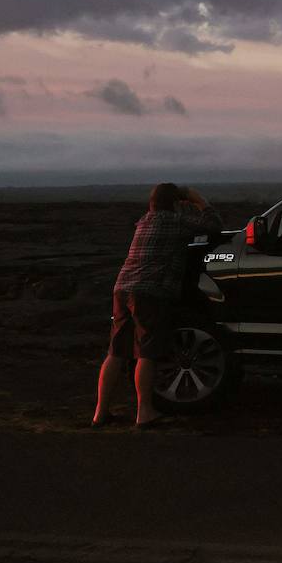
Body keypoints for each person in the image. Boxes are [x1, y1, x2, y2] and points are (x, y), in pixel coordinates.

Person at [93, 183, 222, 428]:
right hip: (151, 292)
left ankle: (100, 413)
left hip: (123, 288)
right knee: (147, 352)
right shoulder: (174, 222)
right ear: (176, 203)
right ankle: (145, 412)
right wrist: (199, 200)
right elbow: (214, 226)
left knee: (116, 352)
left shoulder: (144, 221)